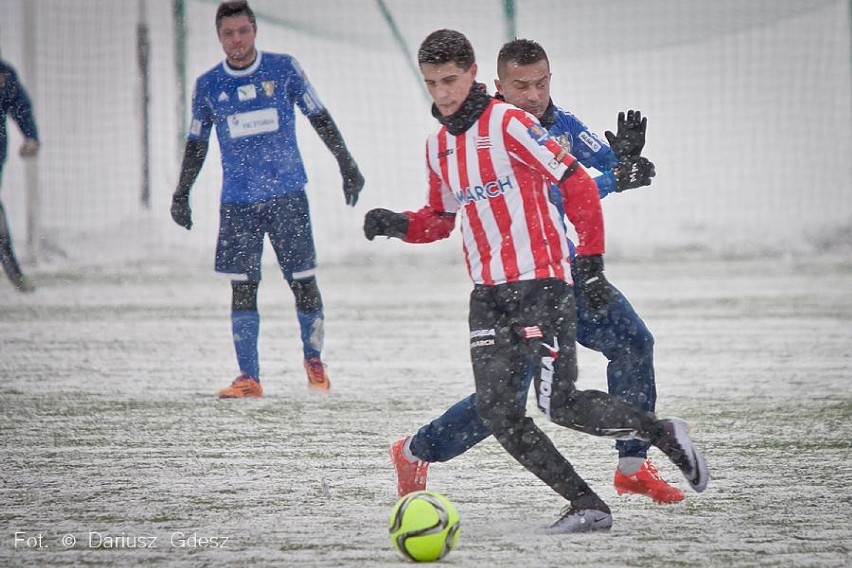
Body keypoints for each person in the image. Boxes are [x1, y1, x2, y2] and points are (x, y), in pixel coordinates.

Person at [363, 29, 707, 533]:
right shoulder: (481, 134)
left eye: (542, 83)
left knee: (631, 344)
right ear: (499, 83)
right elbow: (549, 197)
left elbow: (585, 183)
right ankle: (420, 448)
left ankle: (633, 464)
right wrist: (398, 223)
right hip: (514, 282)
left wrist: (625, 163)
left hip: (556, 276)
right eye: (522, 86)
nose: (535, 95)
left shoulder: (549, 123)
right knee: (507, 401)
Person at [170, 1, 364, 398]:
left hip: (286, 195)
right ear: (218, 36)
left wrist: (347, 164)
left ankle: (314, 361)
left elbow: (319, 117)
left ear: (254, 31)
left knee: (303, 282)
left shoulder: (283, 68)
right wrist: (181, 192)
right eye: (228, 33)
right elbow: (196, 143)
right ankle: (249, 377)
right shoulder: (209, 86)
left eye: (242, 31)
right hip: (238, 203)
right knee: (243, 287)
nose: (236, 40)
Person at [0, 58, 40, 293]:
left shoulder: (4, 73)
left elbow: (20, 104)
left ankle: (13, 269)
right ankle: (13, 269)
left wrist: (30, 135)